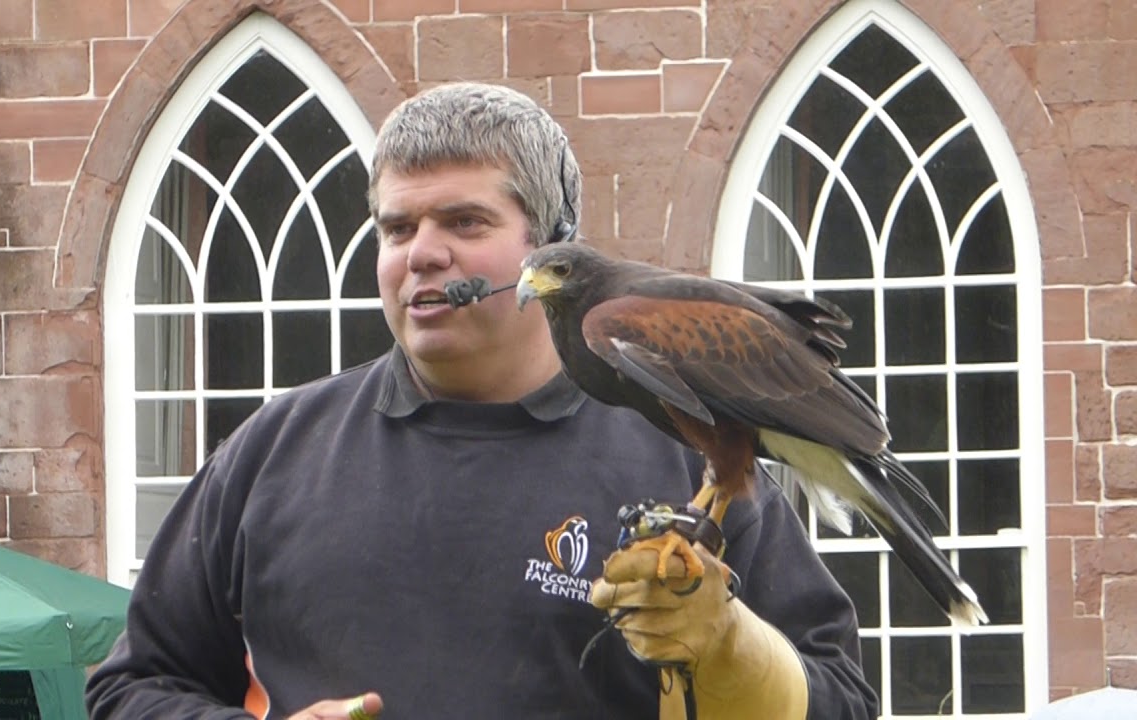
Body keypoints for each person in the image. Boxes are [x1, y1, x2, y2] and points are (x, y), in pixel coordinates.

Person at [86, 82, 877, 720]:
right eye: (396, 229)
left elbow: (844, 701)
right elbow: (129, 691)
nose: (423, 254)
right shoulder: (275, 452)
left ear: (551, 243)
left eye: (464, 221)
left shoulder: (683, 448)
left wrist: (732, 649)